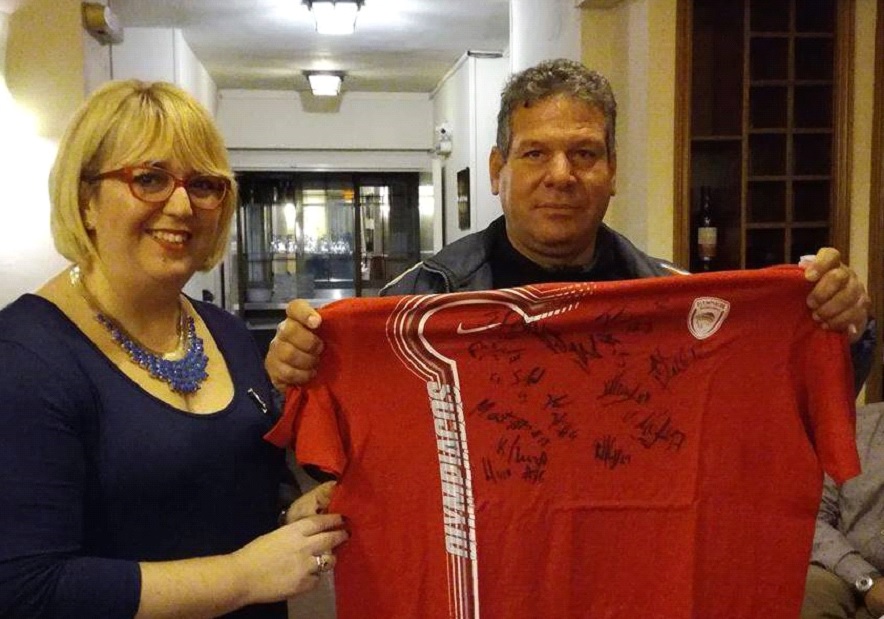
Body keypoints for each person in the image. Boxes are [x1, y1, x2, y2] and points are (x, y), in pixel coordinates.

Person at [264, 58, 873, 391]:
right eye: (535, 153)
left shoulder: (679, 301)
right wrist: (298, 372)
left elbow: (782, 398)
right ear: (498, 171)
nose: (561, 175)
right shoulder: (416, 301)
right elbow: (331, 454)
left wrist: (842, 329)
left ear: (613, 172)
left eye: (584, 153)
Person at [0, 80, 348, 618]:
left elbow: (226, 494)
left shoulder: (227, 333)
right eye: (149, 179)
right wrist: (241, 577)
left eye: (204, 185)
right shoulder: (25, 357)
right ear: (86, 199)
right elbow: (28, 589)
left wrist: (289, 519)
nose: (183, 205)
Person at [801, 402, 884, 619]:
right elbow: (811, 518)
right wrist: (866, 579)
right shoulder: (855, 427)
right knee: (809, 591)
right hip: (845, 568)